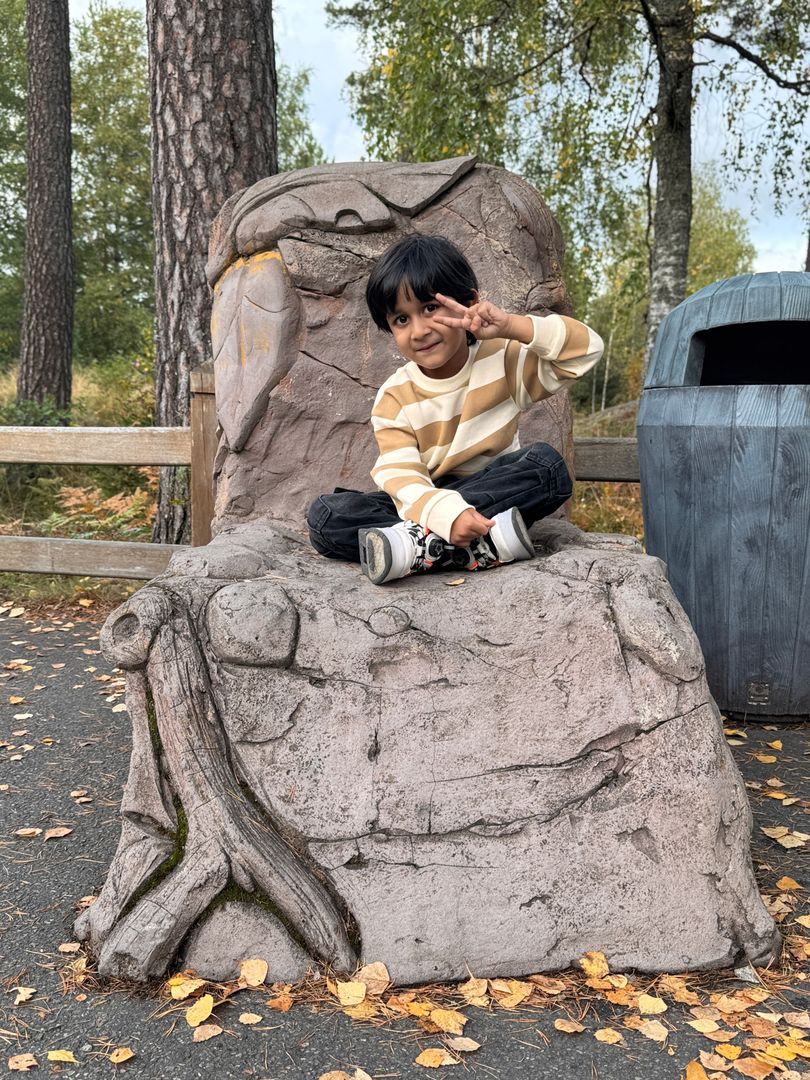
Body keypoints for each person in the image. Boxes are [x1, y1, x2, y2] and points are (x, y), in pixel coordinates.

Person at [306, 234, 603, 585]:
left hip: (492, 490)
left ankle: (419, 548)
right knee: (326, 518)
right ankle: (475, 547)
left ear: (470, 303)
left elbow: (586, 352)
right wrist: (446, 514)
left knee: (548, 468)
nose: (419, 330)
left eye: (430, 308)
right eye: (401, 320)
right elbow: (403, 477)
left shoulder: (502, 359)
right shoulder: (394, 397)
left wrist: (511, 326)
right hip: (425, 499)